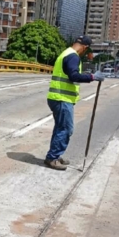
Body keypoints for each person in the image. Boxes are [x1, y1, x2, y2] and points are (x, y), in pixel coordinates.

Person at [45, 35, 105, 170]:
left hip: (56, 97)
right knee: (66, 129)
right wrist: (92, 77)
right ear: (85, 47)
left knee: (60, 128)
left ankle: (54, 155)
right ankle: (52, 158)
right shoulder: (73, 56)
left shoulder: (65, 53)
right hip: (62, 99)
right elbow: (73, 76)